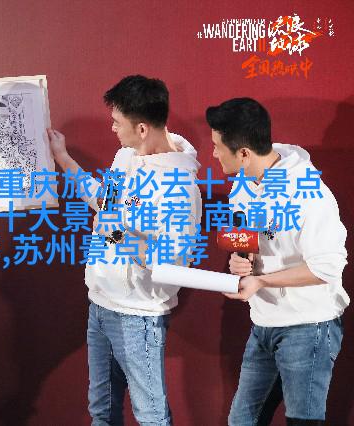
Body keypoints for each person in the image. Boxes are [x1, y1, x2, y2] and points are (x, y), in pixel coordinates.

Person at [47, 75, 202, 425]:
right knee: (101, 410)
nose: (113, 128)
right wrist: (63, 158)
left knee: (151, 417)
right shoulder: (125, 157)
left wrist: (117, 234)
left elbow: (169, 261)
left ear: (142, 128)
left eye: (117, 122)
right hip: (101, 304)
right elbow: (105, 203)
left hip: (138, 315)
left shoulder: (180, 188)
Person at [206, 97, 348, 426]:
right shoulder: (242, 186)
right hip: (264, 324)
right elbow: (245, 235)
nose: (213, 154)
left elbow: (327, 268)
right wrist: (241, 260)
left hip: (309, 326)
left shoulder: (310, 195)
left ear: (244, 153)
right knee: (241, 421)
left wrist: (261, 281)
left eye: (217, 147)